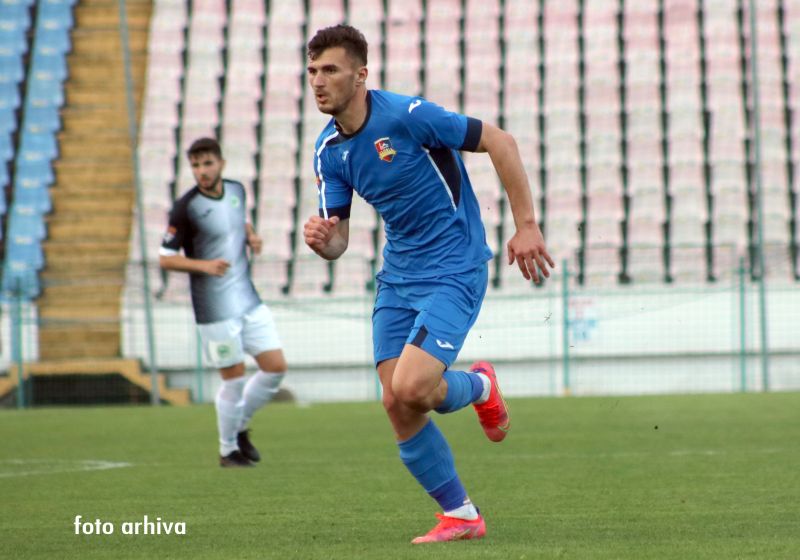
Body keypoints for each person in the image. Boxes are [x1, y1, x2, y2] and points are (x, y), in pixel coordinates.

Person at [302, 25, 554, 543]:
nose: (318, 82)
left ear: (360, 75)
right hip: (398, 277)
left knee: (413, 387)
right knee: (398, 402)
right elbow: (339, 242)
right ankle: (461, 515)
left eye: (330, 70)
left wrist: (526, 225)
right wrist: (323, 241)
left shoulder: (407, 116)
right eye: (312, 71)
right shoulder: (328, 151)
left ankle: (481, 387)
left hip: (455, 266)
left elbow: (499, 141)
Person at [159, 137, 288, 468]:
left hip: (247, 298)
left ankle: (239, 424)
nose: (202, 171)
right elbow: (165, 258)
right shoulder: (185, 208)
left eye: (207, 163)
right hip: (214, 309)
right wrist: (204, 266)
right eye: (196, 165)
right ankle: (228, 449)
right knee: (234, 378)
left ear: (221, 164)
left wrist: (251, 236)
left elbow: (239, 220)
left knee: (275, 368)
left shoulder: (236, 190)